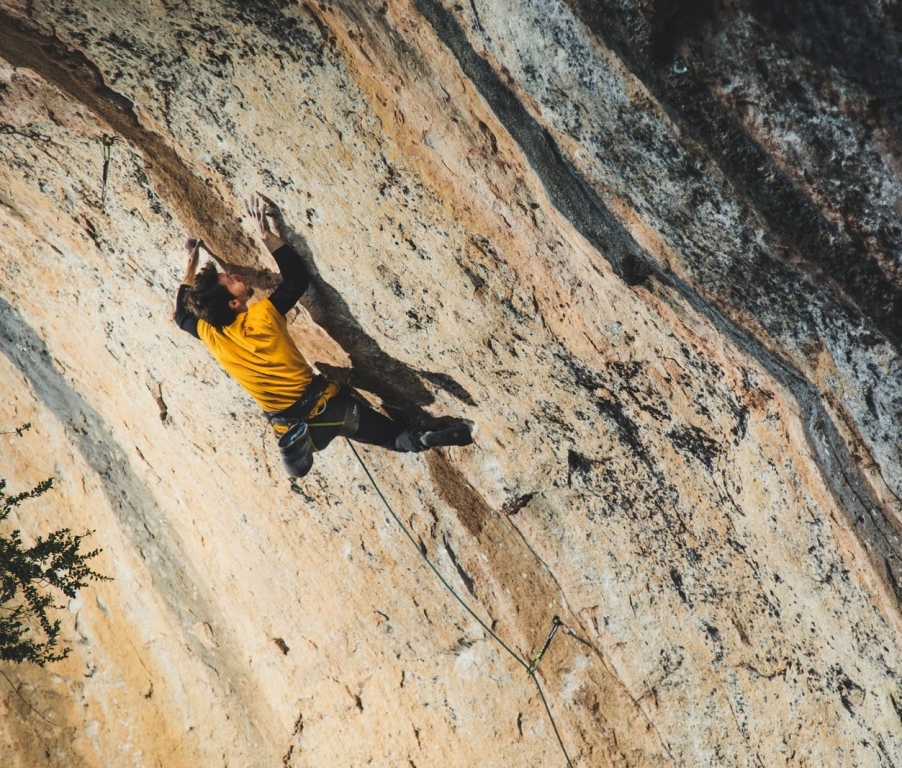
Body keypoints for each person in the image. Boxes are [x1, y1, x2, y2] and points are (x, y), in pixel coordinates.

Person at [173, 195, 473, 477]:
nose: (236, 276)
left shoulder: (211, 336)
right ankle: (424, 435)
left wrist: (191, 265)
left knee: (393, 440)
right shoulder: (262, 317)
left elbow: (181, 315)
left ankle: (415, 439)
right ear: (234, 304)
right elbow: (297, 280)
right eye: (232, 282)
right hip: (329, 401)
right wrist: (267, 236)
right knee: (396, 434)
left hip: (317, 418)